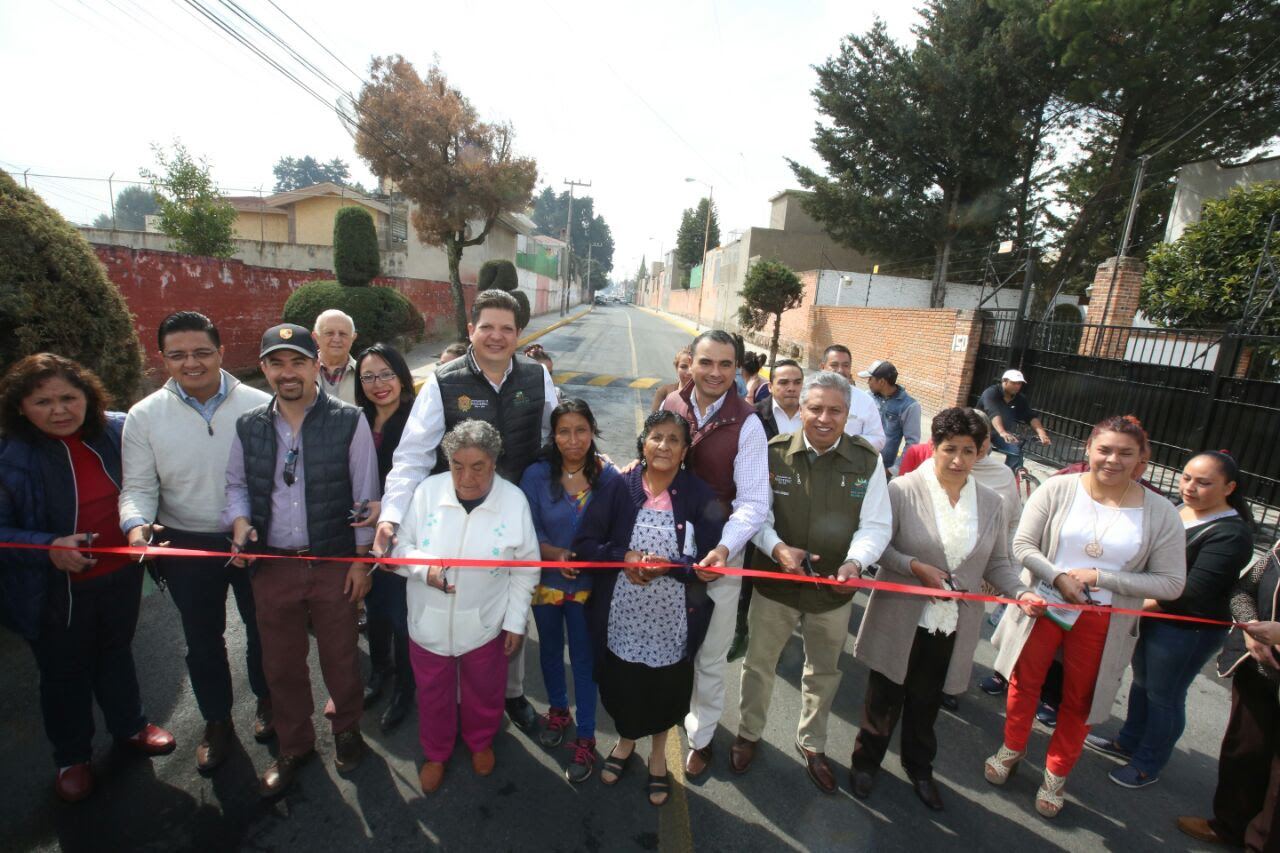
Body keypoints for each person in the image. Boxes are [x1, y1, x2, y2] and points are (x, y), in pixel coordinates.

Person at [375, 289, 558, 735]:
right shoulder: (443, 381)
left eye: (506, 328)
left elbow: (558, 435)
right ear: (471, 330)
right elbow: (412, 456)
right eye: (487, 327)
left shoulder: (537, 377)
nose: (497, 336)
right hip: (461, 515)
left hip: (515, 510)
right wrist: (391, 516)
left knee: (512, 606)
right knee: (460, 603)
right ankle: (453, 702)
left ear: (518, 334)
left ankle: (511, 695)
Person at [983, 415, 1185, 818]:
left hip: (1103, 620)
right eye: (1104, 449)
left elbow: (1171, 583)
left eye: (1125, 453)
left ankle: (1056, 773)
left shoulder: (1161, 512)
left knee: (1082, 698)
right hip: (1044, 604)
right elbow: (1022, 545)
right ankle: (1012, 746)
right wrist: (1058, 577)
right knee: (1024, 680)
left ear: (1141, 459)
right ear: (1088, 449)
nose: (1113, 459)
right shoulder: (1058, 488)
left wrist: (1100, 577)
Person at [0, 353, 176, 802]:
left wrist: (150, 522)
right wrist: (48, 547)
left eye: (68, 398)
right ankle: (72, 757)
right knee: (63, 673)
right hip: (53, 589)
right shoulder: (11, 455)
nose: (59, 410)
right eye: (42, 401)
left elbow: (150, 483)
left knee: (116, 652)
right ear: (21, 406)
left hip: (120, 575)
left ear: (88, 396)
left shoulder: (118, 430)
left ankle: (131, 726)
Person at [851, 408, 1044, 810]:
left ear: (981, 452)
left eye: (968, 450)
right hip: (900, 614)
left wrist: (1020, 592)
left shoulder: (992, 502)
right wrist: (915, 567)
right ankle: (866, 762)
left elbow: (998, 563)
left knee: (927, 702)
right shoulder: (902, 490)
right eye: (949, 449)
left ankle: (919, 768)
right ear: (933, 447)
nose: (958, 459)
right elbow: (879, 547)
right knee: (883, 697)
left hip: (952, 622)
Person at [223, 323, 381, 798]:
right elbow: (236, 486)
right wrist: (239, 523)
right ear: (264, 368)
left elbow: (365, 495)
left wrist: (361, 562)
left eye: (297, 362)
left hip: (333, 562)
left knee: (341, 657)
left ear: (316, 366)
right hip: (272, 565)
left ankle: (347, 729)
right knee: (281, 664)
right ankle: (294, 745)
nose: (287, 372)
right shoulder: (249, 425)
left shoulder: (349, 420)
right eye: (277, 363)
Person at [118, 311, 272, 773]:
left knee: (265, 630)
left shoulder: (260, 404)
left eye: (202, 352)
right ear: (162, 358)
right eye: (178, 355)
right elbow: (137, 488)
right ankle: (217, 721)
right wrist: (136, 526)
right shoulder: (144, 416)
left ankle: (269, 703)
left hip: (254, 539)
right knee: (202, 641)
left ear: (221, 352)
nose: (192, 363)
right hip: (187, 545)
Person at [732, 371, 890, 794]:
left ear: (847, 415)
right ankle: (748, 733)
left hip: (832, 594)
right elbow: (755, 512)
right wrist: (777, 549)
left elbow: (876, 524)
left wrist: (856, 562)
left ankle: (813, 743)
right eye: (815, 408)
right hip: (775, 586)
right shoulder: (772, 453)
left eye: (835, 410)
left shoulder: (867, 461)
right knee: (758, 665)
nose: (824, 418)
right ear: (800, 409)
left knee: (823, 673)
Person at [574, 411, 726, 806]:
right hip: (621, 616)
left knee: (666, 687)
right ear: (643, 443)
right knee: (623, 683)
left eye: (674, 440)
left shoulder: (698, 495)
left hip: (673, 620)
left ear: (685, 451)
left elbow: (708, 561)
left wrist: (673, 568)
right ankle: (626, 741)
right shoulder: (617, 488)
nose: (664, 446)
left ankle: (658, 755)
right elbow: (586, 543)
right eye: (657, 437)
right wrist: (623, 557)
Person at [1085, 450, 1256, 787]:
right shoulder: (1179, 509)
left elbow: (1191, 591)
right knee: (1142, 683)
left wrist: (1129, 604)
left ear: (1229, 487)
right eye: (1186, 478)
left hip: (1186, 628)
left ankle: (1147, 764)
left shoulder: (1231, 534)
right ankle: (1128, 741)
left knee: (1165, 696)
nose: (1190, 487)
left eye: (1204, 483)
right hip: (1150, 615)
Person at [390, 420, 539, 794]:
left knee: (484, 691)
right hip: (427, 624)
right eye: (457, 466)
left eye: (478, 467)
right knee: (432, 694)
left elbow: (526, 569)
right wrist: (425, 569)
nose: (466, 478)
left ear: (494, 462)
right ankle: (436, 752)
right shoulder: (427, 492)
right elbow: (399, 549)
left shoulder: (513, 501)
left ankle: (480, 741)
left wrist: (515, 622)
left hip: (485, 625)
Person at [659, 329, 768, 778]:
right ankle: (664, 714)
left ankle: (701, 738)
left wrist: (724, 548)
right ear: (691, 362)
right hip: (668, 550)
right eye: (706, 362)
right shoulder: (673, 403)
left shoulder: (748, 424)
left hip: (720, 554)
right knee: (669, 641)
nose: (715, 373)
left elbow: (754, 503)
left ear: (737, 368)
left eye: (726, 364)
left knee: (710, 653)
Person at [519, 399, 618, 782]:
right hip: (546, 584)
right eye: (564, 431)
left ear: (592, 432)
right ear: (553, 435)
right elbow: (528, 527)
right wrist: (554, 554)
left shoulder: (607, 477)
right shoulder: (535, 475)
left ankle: (586, 736)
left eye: (581, 430)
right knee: (548, 650)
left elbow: (616, 529)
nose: (573, 440)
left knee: (583, 660)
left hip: (587, 589)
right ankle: (558, 711)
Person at [1177, 540, 1280, 849]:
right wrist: (1250, 629)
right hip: (1258, 671)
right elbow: (1243, 590)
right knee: (1244, 752)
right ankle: (1229, 826)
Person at [354, 343, 417, 733]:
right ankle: (380, 671)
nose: (379, 384)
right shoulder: (355, 419)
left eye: (386, 374)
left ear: (401, 376)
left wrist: (388, 510)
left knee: (402, 618)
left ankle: (405, 689)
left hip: (404, 533)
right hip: (362, 534)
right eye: (369, 376)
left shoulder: (418, 420)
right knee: (375, 610)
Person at [977, 369, 1051, 471]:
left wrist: (1042, 433)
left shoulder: (1019, 398)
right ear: (1004, 381)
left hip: (1000, 434)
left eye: (1019, 383)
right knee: (985, 449)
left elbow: (1030, 416)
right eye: (1014, 383)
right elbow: (993, 412)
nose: (1017, 386)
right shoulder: (991, 393)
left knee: (1015, 451)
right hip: (981, 431)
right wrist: (1002, 432)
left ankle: (1008, 475)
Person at [818, 345, 886, 452]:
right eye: (834, 365)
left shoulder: (865, 401)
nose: (840, 370)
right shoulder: (807, 395)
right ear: (822, 367)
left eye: (845, 365)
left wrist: (847, 444)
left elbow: (878, 439)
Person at [858, 360, 920, 473]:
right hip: (859, 463)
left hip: (883, 469)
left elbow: (912, 443)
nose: (868, 382)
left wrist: (893, 469)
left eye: (870, 379)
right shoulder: (868, 396)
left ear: (882, 382)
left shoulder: (909, 406)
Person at [312, 309, 359, 404]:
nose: (336, 339)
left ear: (353, 338)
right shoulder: (302, 372)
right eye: (329, 333)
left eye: (343, 334)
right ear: (316, 337)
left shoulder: (364, 374)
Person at [755, 359, 803, 438]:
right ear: (770, 387)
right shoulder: (755, 415)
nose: (791, 388)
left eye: (797, 382)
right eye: (784, 383)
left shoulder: (815, 414)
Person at [649, 346, 693, 414]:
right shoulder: (664, 392)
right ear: (676, 368)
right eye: (683, 367)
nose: (689, 372)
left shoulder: (706, 395)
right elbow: (654, 419)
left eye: (693, 366)